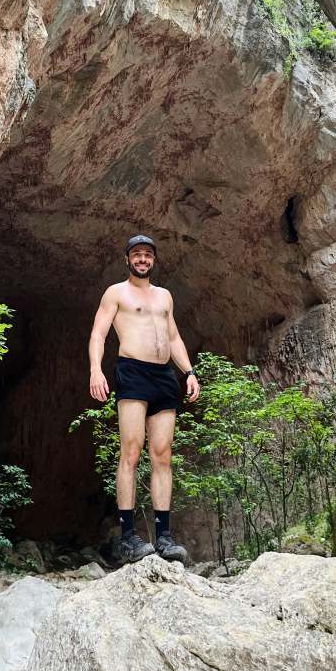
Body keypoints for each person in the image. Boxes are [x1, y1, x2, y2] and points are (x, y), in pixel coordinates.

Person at [88, 234, 200, 563]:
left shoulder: (165, 297)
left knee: (162, 455)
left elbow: (174, 337)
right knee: (131, 452)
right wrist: (96, 370)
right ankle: (127, 538)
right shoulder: (116, 293)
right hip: (132, 372)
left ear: (153, 260)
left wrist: (189, 372)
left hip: (164, 376)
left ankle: (164, 537)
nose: (142, 259)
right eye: (136, 254)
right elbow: (98, 333)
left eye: (147, 255)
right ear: (127, 260)